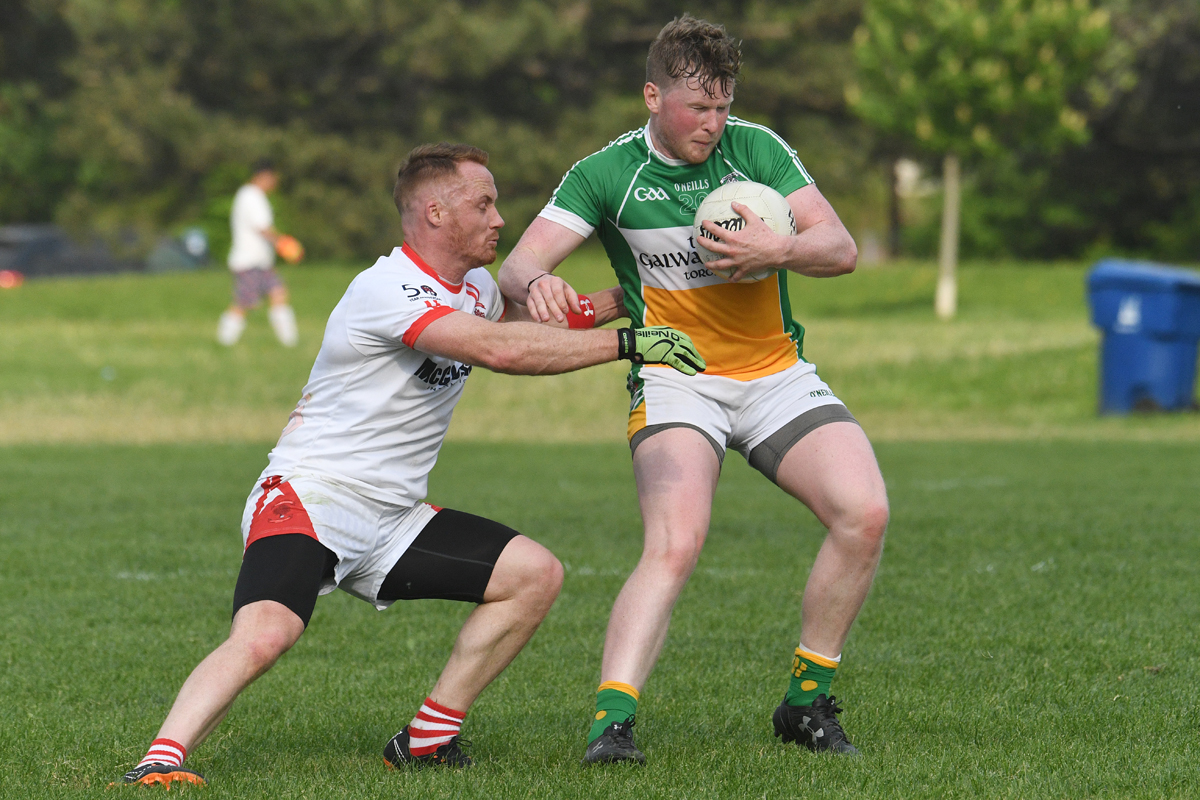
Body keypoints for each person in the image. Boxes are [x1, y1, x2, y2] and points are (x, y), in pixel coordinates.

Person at [120, 143, 704, 787]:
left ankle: (426, 740)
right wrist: (627, 344)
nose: (499, 219)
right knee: (265, 634)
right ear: (434, 211)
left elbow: (531, 325)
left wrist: (631, 296)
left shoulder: (476, 287)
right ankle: (158, 766)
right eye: (483, 203)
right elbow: (497, 350)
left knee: (534, 576)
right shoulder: (386, 288)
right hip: (311, 495)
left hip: (395, 516)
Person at [498, 15, 889, 763]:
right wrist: (541, 284)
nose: (714, 123)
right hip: (676, 378)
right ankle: (611, 725)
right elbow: (519, 270)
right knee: (676, 542)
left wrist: (780, 247)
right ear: (653, 95)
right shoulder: (607, 173)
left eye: (723, 104)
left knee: (864, 512)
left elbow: (839, 248)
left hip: (775, 374)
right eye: (698, 107)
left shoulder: (760, 149)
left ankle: (806, 704)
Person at [216, 158, 301, 348]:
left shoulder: (251, 195)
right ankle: (224, 341)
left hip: (260, 262)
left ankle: (290, 342)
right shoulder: (251, 196)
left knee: (279, 293)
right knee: (244, 303)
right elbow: (262, 227)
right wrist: (284, 243)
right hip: (249, 261)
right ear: (265, 176)